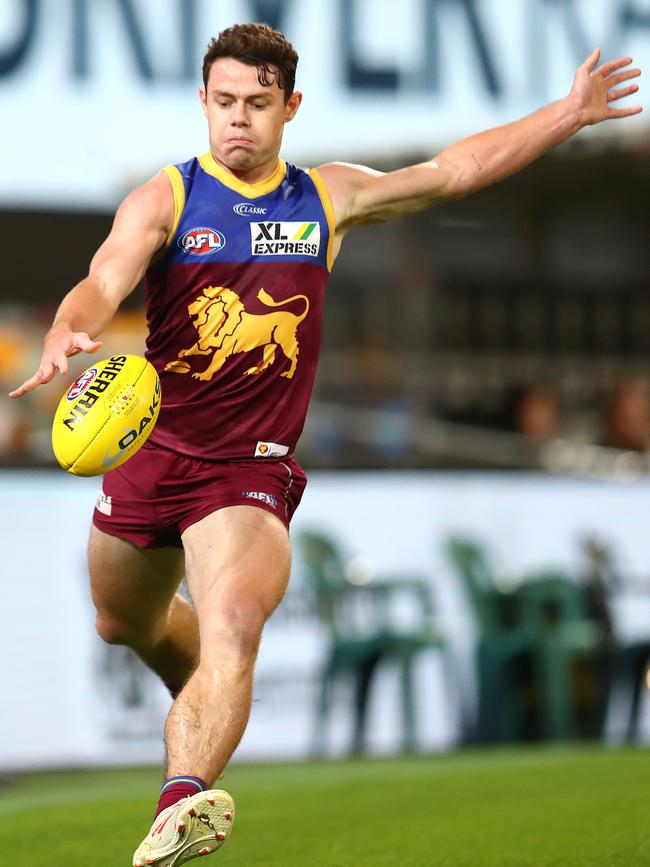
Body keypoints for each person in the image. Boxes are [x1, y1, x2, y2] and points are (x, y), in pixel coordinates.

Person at [9, 22, 642, 867]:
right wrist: (66, 331)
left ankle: (180, 804)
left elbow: (453, 171)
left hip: (249, 471)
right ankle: (203, 682)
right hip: (151, 450)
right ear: (203, 102)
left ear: (291, 107)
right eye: (224, 102)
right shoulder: (165, 198)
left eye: (258, 105)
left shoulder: (326, 198)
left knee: (234, 618)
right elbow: (103, 278)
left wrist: (565, 114)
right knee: (122, 621)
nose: (238, 120)